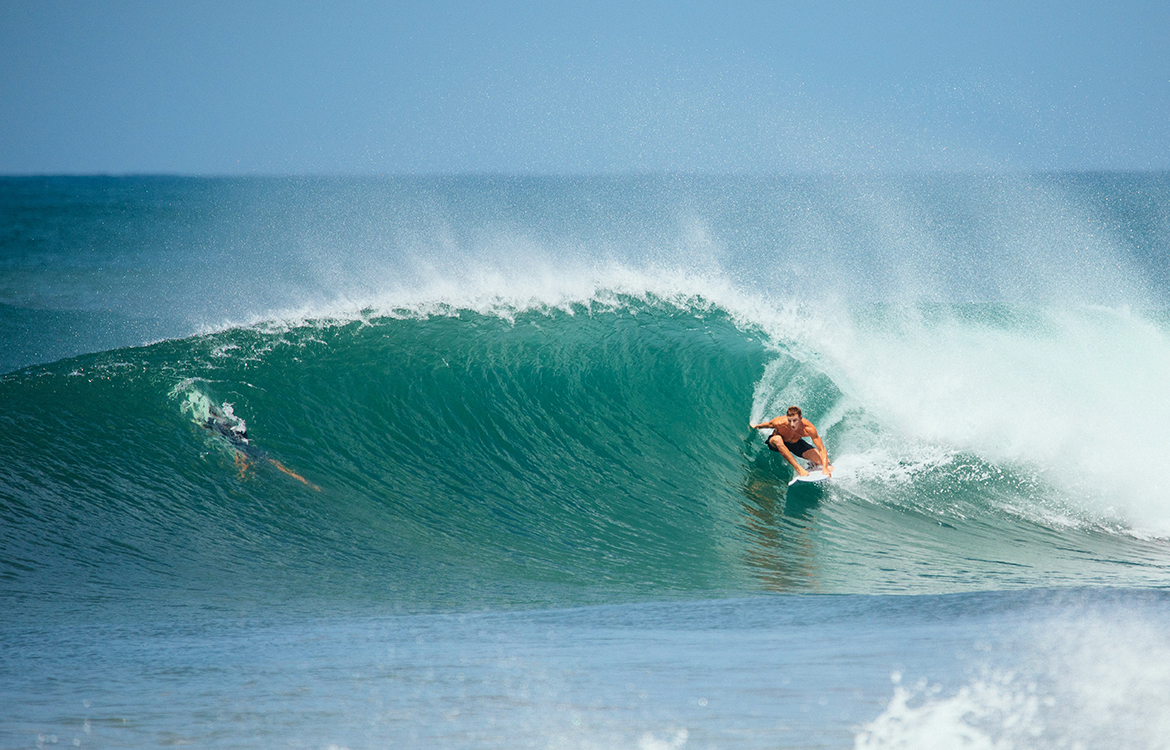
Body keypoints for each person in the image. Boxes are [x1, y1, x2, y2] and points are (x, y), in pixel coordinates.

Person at [750, 406, 833, 478]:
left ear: (800, 418)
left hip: (795, 444)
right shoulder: (780, 423)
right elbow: (767, 425)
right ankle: (798, 468)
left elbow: (821, 449)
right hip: (776, 442)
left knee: (824, 462)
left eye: (795, 420)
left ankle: (812, 463)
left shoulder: (809, 429)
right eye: (789, 420)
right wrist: (756, 426)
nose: (792, 424)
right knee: (777, 439)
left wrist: (825, 467)